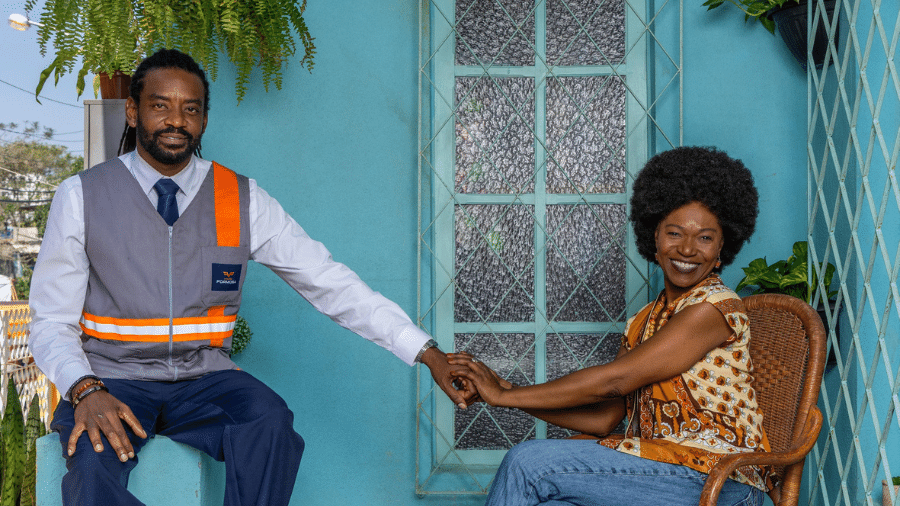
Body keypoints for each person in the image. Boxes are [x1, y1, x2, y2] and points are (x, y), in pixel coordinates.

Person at [28, 48, 473, 506]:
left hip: (204, 380)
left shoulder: (241, 198)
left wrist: (425, 351)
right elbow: (49, 322)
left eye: (191, 109)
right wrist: (84, 388)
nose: (176, 120)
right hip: (112, 377)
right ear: (133, 110)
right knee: (90, 466)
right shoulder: (82, 195)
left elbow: (329, 281)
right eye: (160, 105)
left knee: (270, 424)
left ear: (204, 119)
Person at [448, 146, 774, 506]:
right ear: (654, 236)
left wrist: (504, 397)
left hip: (722, 479)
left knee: (526, 462)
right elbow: (605, 417)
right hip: (664, 468)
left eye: (705, 237)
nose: (687, 249)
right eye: (675, 233)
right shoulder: (643, 321)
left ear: (723, 245)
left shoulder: (713, 309)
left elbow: (614, 381)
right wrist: (510, 391)